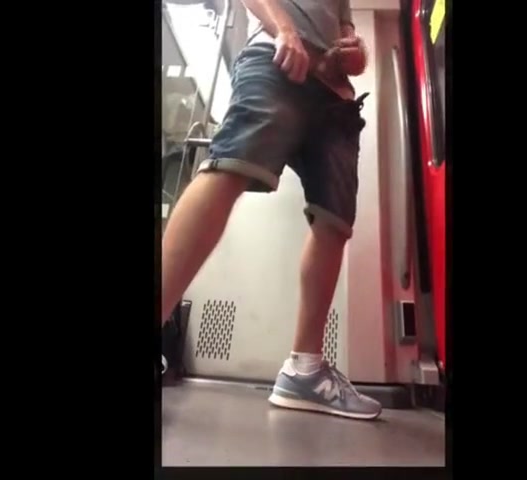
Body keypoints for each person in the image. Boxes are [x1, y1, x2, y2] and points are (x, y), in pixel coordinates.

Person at [161, 0, 381, 420]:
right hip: (277, 59)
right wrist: (285, 29)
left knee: (334, 223)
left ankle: (305, 371)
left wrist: (355, 52)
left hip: (336, 99)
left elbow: (347, 37)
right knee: (230, 168)